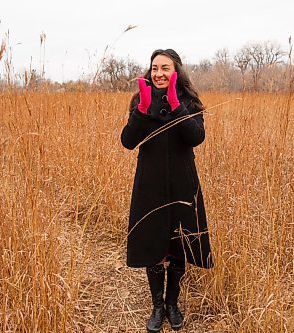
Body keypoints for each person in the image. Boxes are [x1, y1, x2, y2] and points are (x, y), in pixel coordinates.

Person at [120, 49, 213, 332]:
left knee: (177, 245)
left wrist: (175, 104)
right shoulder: (141, 100)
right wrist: (142, 111)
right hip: (150, 184)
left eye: (165, 68)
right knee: (154, 244)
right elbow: (127, 141)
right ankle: (158, 307)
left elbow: (196, 137)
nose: (159, 73)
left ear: (176, 71)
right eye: (154, 68)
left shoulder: (189, 101)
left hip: (183, 184)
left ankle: (173, 304)